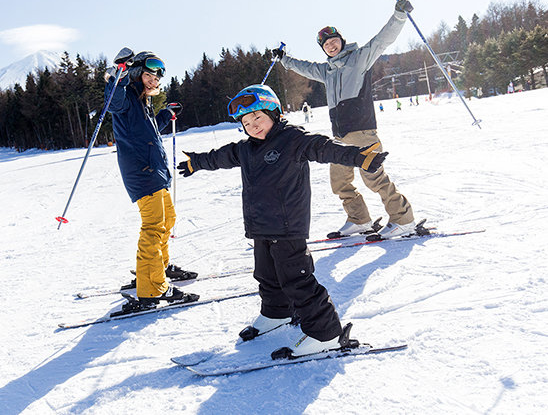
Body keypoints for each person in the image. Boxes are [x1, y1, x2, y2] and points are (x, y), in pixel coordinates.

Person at [176, 84, 387, 358]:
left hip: (287, 226)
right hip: (261, 225)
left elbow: (324, 148)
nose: (253, 126)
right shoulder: (247, 148)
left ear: (274, 113)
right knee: (266, 274)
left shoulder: (292, 140)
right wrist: (197, 162)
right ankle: (276, 312)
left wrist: (358, 156)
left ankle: (327, 334)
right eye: (246, 122)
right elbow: (222, 156)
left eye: (258, 118)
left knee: (296, 280)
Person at [271, 0, 416, 239]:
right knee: (339, 181)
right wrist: (284, 59)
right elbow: (304, 67)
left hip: (362, 131)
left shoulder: (359, 58)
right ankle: (360, 220)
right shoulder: (326, 71)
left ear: (342, 41)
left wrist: (399, 16)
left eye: (334, 40)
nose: (331, 46)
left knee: (374, 178)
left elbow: (382, 40)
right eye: (326, 44)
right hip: (339, 136)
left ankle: (404, 220)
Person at [105, 48, 197, 311]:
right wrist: (119, 76)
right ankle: (154, 287)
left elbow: (151, 132)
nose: (155, 80)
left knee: (167, 220)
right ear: (136, 72)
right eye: (149, 74)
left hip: (155, 172)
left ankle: (160, 267)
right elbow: (113, 102)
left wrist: (166, 114)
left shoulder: (141, 102)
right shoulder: (125, 97)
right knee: (154, 226)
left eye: (158, 77)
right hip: (142, 172)